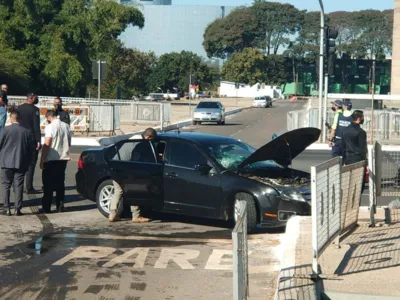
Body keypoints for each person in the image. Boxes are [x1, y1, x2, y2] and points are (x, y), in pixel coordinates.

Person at [109, 127, 157, 223]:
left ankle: (112, 215)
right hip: (126, 170)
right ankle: (136, 216)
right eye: (152, 139)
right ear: (148, 137)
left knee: (118, 191)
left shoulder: (133, 138)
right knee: (134, 190)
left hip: (115, 168)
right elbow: (136, 160)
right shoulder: (139, 143)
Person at [0, 111, 33, 216]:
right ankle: (17, 208)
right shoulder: (26, 131)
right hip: (21, 161)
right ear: (19, 119)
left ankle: (7, 207)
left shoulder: (5, 130)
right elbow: (31, 148)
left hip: (6, 161)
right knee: (19, 185)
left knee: (6, 185)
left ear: (11, 118)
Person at [39, 110, 71, 213]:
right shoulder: (66, 126)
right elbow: (69, 141)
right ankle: (60, 206)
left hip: (51, 159)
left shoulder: (50, 127)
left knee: (48, 184)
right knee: (60, 183)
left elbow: (47, 143)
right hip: (63, 158)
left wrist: (42, 158)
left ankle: (46, 207)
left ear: (48, 118)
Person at [17, 93, 42, 194]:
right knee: (31, 163)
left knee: (20, 162)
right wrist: (38, 140)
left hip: (20, 137)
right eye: (36, 97)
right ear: (31, 98)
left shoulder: (19, 108)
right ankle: (29, 187)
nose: (37, 99)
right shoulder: (35, 110)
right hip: (30, 138)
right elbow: (36, 126)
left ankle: (18, 186)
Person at [340, 110, 368, 192]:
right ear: (359, 118)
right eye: (362, 117)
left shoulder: (345, 130)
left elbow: (343, 147)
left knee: (349, 183)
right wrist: (365, 162)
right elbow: (362, 149)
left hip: (348, 159)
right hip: (358, 159)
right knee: (359, 185)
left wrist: (343, 161)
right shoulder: (361, 132)